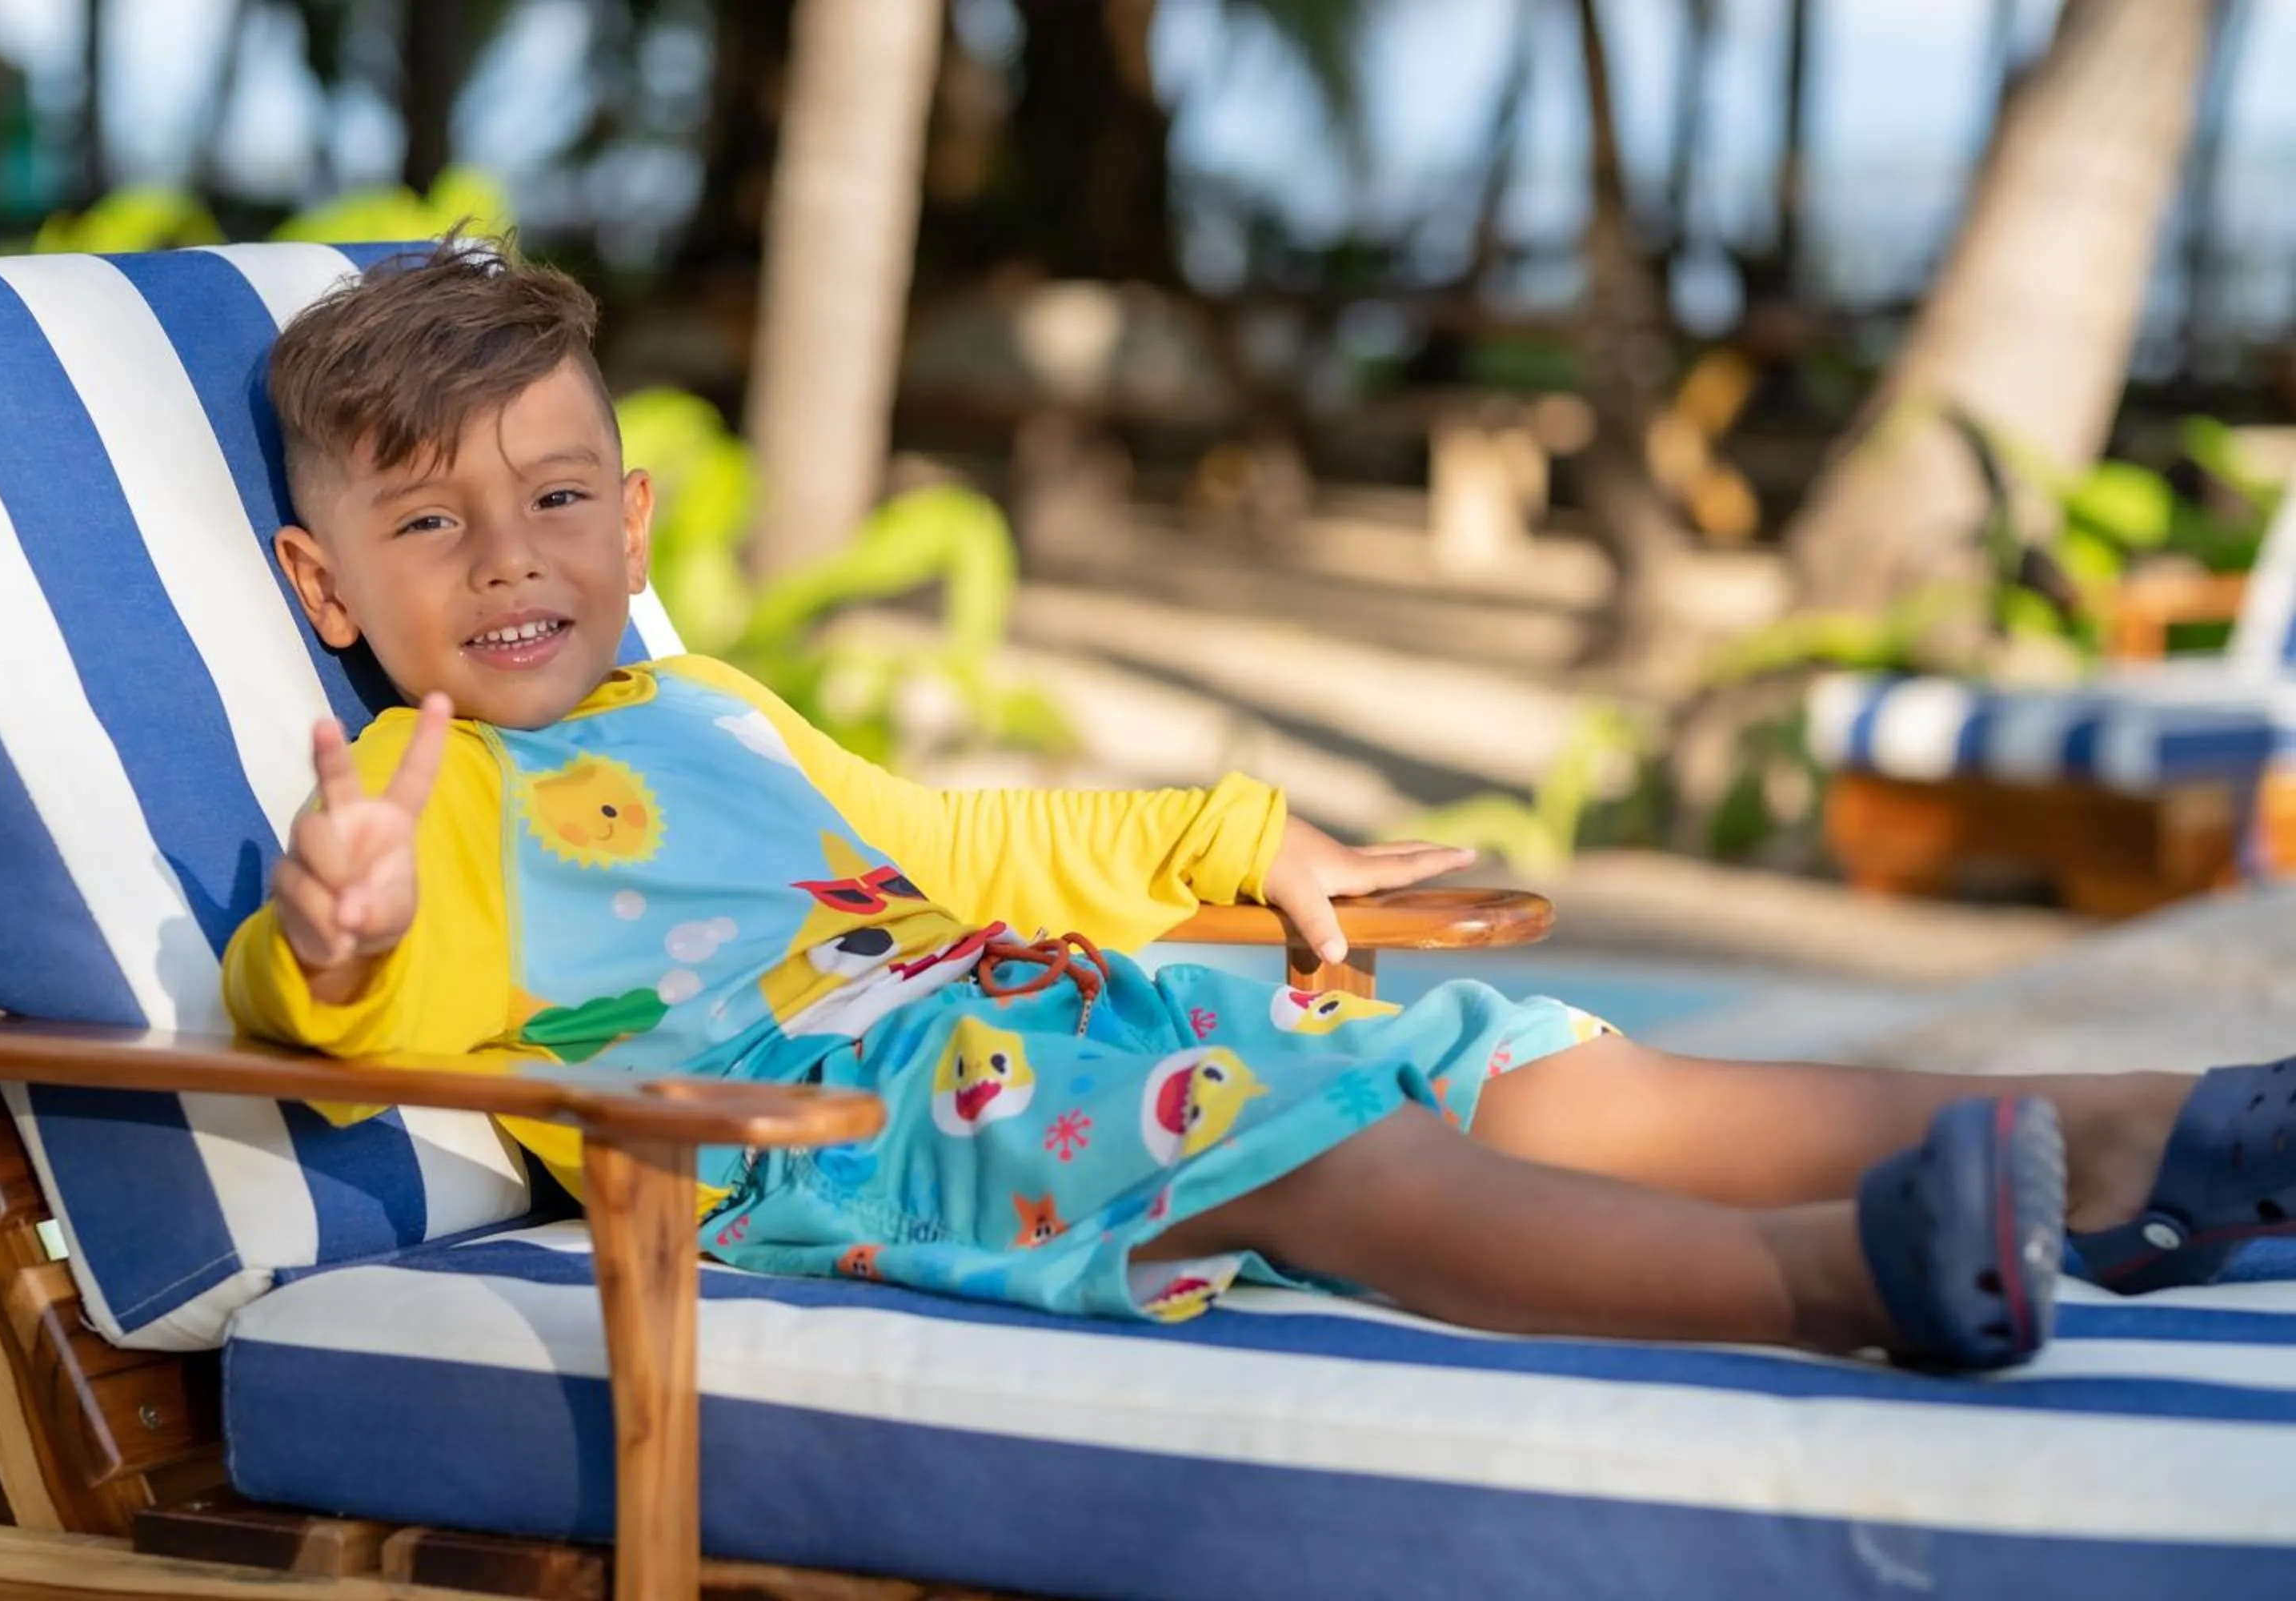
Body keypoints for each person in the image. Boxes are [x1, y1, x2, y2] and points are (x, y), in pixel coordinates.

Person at [225, 235, 2283, 1374]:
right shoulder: (440, 809)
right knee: (1319, 1151)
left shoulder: (713, 705)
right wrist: (341, 925)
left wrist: (1231, 842)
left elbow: (957, 851)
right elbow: (339, 1004)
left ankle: (2143, 1134)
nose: (508, 558)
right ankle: (1842, 1284)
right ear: (329, 587)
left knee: (1501, 1059)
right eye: (429, 522)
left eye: (555, 498)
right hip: (839, 1140)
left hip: (1038, 1023)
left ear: (632, 514)